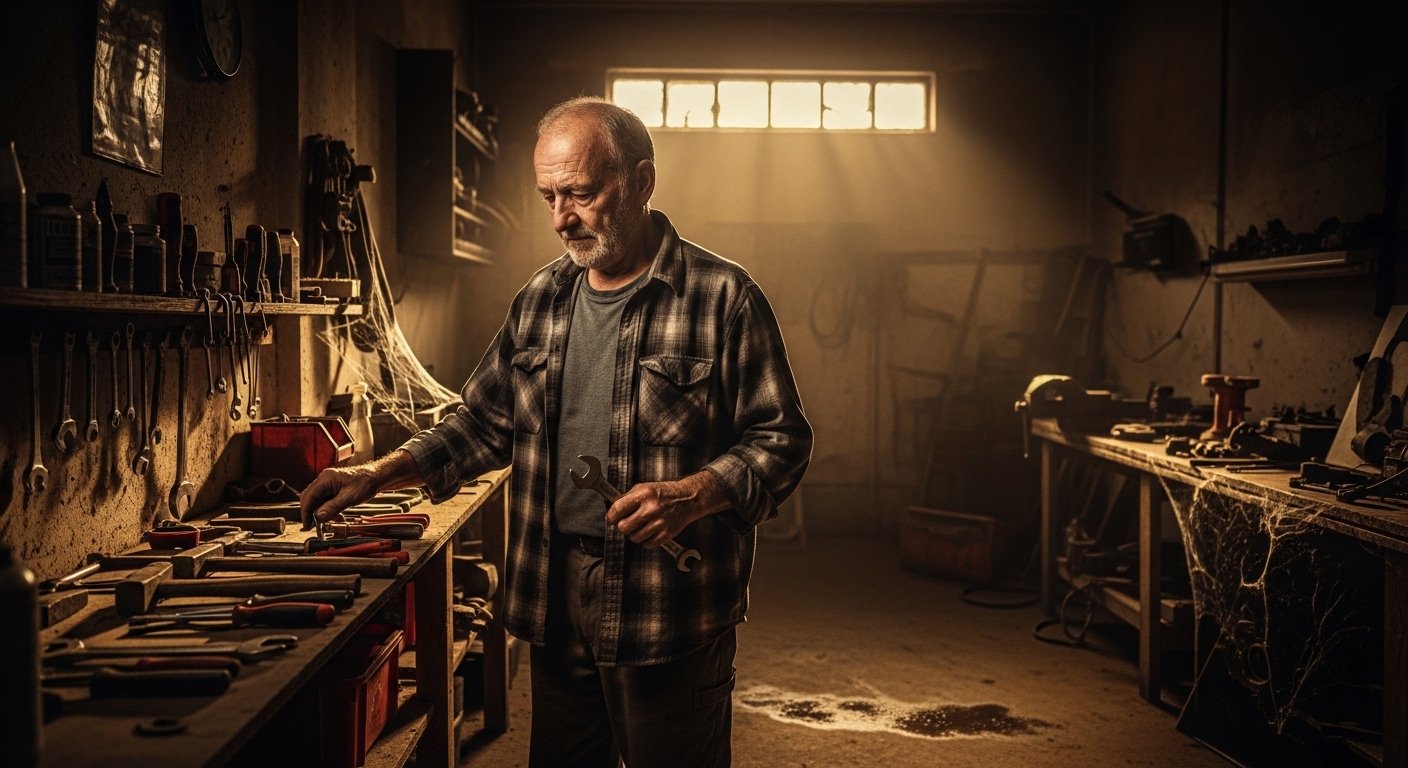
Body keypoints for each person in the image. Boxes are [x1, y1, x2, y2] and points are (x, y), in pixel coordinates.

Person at [300, 96, 812, 768]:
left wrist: (694, 494)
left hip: (668, 600)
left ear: (642, 181)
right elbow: (480, 422)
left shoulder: (721, 297)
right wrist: (376, 474)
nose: (560, 218)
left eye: (580, 194)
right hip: (552, 589)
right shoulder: (541, 300)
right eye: (547, 196)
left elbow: (781, 439)